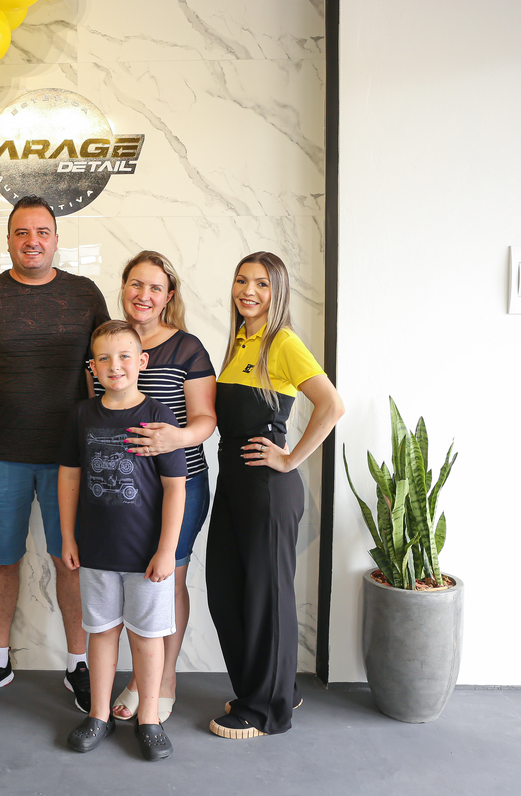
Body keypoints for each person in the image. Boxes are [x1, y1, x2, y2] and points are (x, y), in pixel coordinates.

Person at [0, 195, 110, 711]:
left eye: (42, 232)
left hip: (70, 458)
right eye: (22, 232)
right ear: (7, 240)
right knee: (1, 559)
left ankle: (77, 664)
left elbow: (106, 370)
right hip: (1, 452)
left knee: (69, 560)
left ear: (56, 239)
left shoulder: (84, 294)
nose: (32, 241)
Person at [206, 251, 344, 739]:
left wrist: (290, 459)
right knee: (226, 590)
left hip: (267, 488)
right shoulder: (241, 341)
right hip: (234, 483)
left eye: (262, 284)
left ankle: (267, 710)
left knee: (268, 597)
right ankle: (269, 687)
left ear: (278, 291)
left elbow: (331, 405)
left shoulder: (282, 342)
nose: (249, 291)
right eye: (242, 280)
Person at [92, 252, 216, 724]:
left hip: (178, 485)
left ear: (169, 296)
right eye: (135, 284)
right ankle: (140, 679)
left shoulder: (187, 348)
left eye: (155, 288)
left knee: (168, 579)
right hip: (119, 493)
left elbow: (205, 419)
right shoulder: (106, 344)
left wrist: (174, 438)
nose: (143, 295)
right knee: (125, 586)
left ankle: (163, 682)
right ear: (123, 287)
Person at [58, 320, 187, 761]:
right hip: (95, 552)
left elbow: (175, 487)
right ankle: (98, 715)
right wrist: (68, 536)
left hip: (146, 556)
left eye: (125, 356)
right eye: (105, 358)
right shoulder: (81, 415)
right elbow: (69, 477)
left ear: (142, 361)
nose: (116, 366)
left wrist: (167, 550)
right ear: (93, 367)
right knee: (100, 631)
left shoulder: (159, 415)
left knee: (147, 636)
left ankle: (149, 718)